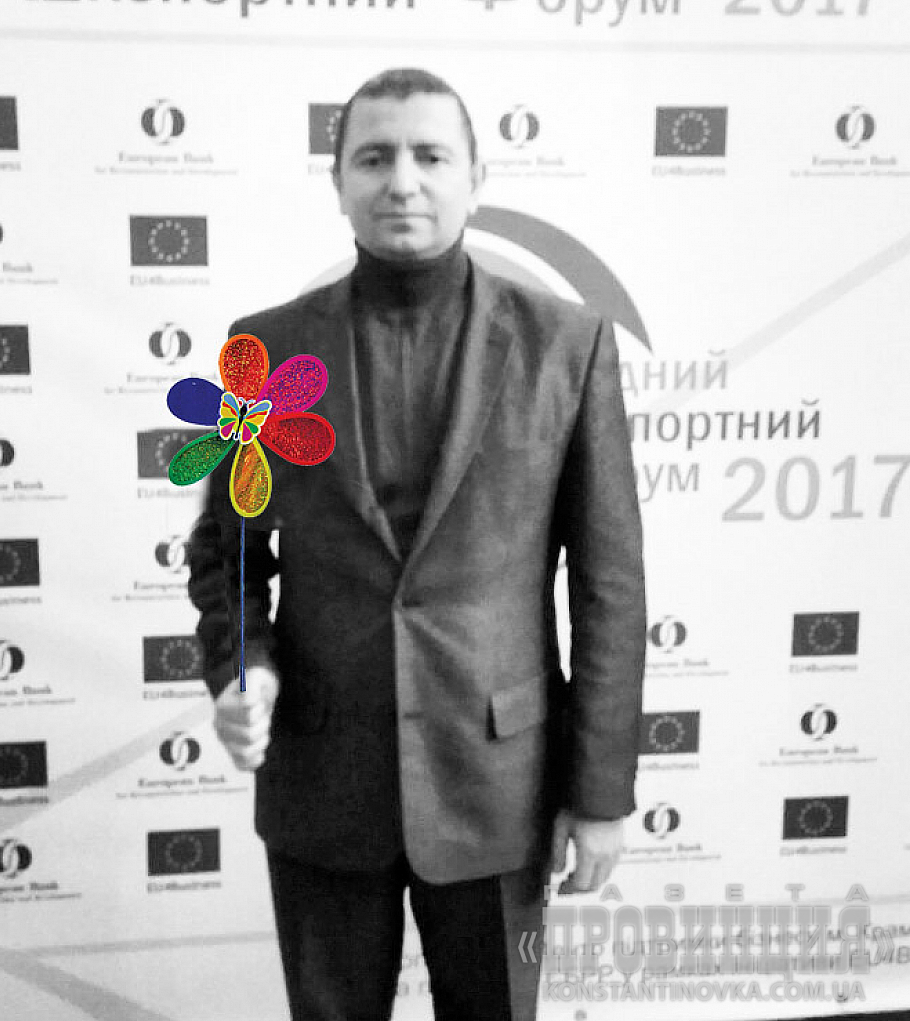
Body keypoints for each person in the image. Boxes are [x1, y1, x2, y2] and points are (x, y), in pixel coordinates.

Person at [186, 67, 646, 1021]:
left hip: (500, 785)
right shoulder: (263, 351)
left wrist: (601, 791)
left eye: (430, 156)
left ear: (476, 176)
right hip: (321, 779)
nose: (403, 181)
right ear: (338, 182)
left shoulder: (567, 346)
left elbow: (608, 584)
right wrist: (242, 665)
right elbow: (228, 552)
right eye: (374, 158)